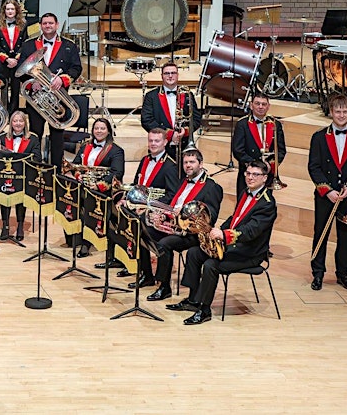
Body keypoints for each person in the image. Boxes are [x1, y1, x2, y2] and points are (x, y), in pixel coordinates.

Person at [167, 160, 276, 325]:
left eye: (256, 174)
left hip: (250, 252)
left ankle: (204, 310)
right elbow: (235, 219)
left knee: (211, 265)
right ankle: (193, 299)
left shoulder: (267, 203)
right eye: (248, 173)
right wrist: (214, 230)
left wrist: (224, 235)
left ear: (264, 178)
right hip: (233, 246)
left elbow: (252, 230)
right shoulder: (246, 192)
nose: (250, 178)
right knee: (195, 253)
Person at [308, 93, 347, 292]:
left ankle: (343, 274)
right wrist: (328, 191)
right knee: (320, 234)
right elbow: (314, 167)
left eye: (345, 111)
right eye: (337, 111)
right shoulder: (318, 137)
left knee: (345, 236)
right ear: (331, 112)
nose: (341, 115)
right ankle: (318, 274)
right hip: (327, 195)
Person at [147, 148, 223, 301]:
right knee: (144, 230)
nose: (188, 166)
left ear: (200, 164)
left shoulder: (212, 187)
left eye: (192, 162)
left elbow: (211, 217)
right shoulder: (183, 182)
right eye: (185, 163)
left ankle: (164, 286)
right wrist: (162, 215)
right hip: (176, 227)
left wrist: (186, 213)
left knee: (164, 244)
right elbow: (172, 204)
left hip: (193, 234)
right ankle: (146, 274)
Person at [113, 128, 180, 280]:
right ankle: (130, 263)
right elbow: (137, 185)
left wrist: (146, 207)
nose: (153, 144)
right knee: (118, 215)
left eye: (157, 141)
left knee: (139, 227)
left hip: (154, 212)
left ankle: (147, 274)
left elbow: (170, 195)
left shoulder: (170, 166)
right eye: (151, 140)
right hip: (138, 206)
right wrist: (125, 198)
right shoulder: (145, 160)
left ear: (165, 142)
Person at [16, 12, 81, 167]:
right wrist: (32, 83)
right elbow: (20, 70)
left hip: (58, 98)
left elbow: (76, 68)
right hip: (36, 98)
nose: (47, 26)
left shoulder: (69, 45)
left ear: (57, 25)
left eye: (51, 23)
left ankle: (56, 171)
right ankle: (34, 168)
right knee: (35, 134)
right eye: (44, 23)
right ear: (41, 26)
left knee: (57, 136)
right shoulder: (29, 45)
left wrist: (63, 79)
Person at [64, 118, 124, 258]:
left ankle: (86, 243)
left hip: (103, 190)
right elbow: (76, 165)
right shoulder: (85, 146)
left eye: (102, 128)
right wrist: (80, 177)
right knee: (66, 197)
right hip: (84, 185)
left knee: (91, 202)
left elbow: (117, 173)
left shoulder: (116, 150)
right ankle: (74, 235)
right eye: (96, 128)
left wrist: (97, 185)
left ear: (108, 131)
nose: (99, 131)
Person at [141, 63, 201, 178]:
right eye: (166, 73)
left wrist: (185, 132)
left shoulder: (187, 94)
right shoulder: (151, 96)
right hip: (161, 146)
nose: (170, 76)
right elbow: (147, 120)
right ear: (161, 76)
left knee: (183, 178)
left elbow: (196, 119)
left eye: (173, 73)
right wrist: (169, 134)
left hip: (183, 144)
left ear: (177, 75)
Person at [0, 110, 40, 241]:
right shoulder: (2, 138)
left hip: (24, 175)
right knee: (4, 197)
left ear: (25, 123)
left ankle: (20, 225)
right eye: (15, 121)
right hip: (6, 175)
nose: (18, 123)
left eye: (21, 121)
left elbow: (37, 158)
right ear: (11, 123)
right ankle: (6, 225)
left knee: (21, 198)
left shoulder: (33, 139)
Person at [231, 92, 286, 198]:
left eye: (264, 104)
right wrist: (256, 167)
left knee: (265, 206)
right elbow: (238, 150)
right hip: (249, 173)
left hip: (268, 173)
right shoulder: (242, 124)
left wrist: (270, 165)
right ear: (251, 105)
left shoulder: (276, 124)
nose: (260, 107)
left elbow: (281, 150)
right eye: (257, 103)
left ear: (268, 106)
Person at [0, 0, 29, 112]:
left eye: (12, 9)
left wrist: (16, 59)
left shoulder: (23, 24)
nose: (10, 11)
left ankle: (14, 114)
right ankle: (3, 113)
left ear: (17, 10)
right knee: (3, 88)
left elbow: (25, 43)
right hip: (3, 62)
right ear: (4, 11)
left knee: (15, 89)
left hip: (17, 62)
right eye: (8, 9)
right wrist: (7, 59)